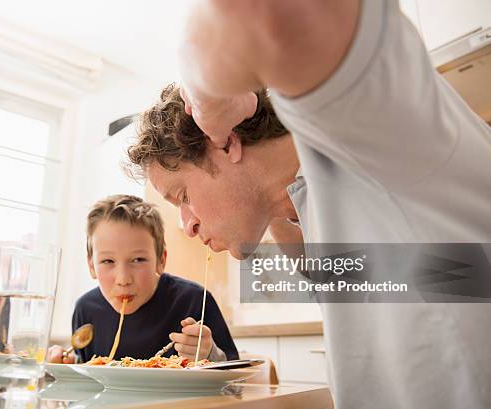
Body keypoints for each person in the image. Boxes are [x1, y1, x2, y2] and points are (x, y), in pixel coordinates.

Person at [126, 0, 491, 407]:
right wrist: (272, 206)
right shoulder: (308, 204)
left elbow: (251, 10)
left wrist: (209, 98)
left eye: (183, 197)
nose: (187, 226)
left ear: (226, 141)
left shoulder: (360, 128)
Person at [48, 194, 238, 364]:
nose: (123, 279)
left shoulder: (194, 300)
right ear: (91, 266)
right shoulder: (86, 309)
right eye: (107, 261)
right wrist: (67, 364)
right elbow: (85, 377)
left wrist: (210, 354)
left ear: (161, 260)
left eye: (138, 260)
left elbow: (235, 383)